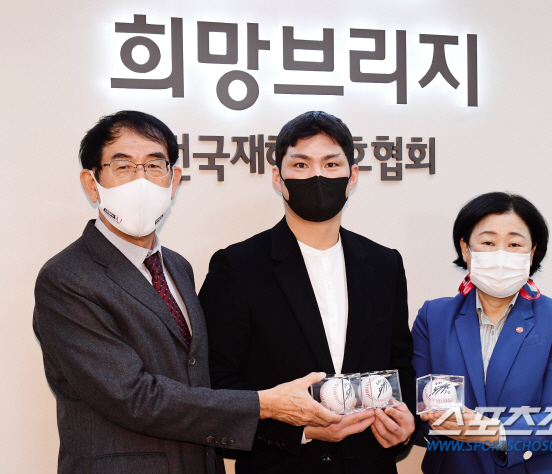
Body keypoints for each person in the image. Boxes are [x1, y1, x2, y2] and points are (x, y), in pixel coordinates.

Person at [32, 111, 341, 474]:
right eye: (123, 167)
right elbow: (132, 397)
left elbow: (199, 377)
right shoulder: (67, 278)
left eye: (154, 165)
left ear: (174, 180)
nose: (141, 180)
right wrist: (266, 405)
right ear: (91, 183)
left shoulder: (176, 267)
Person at [199, 111, 416, 474]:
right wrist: (297, 431)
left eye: (331, 164)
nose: (317, 176)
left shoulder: (384, 264)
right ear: (278, 178)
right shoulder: (237, 267)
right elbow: (215, 380)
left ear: (352, 177)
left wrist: (404, 424)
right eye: (300, 165)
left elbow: (400, 362)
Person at [411, 192, 552, 474]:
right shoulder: (434, 317)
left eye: (514, 244)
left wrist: (490, 431)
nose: (501, 255)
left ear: (532, 253)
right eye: (488, 242)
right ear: (465, 249)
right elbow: (419, 408)